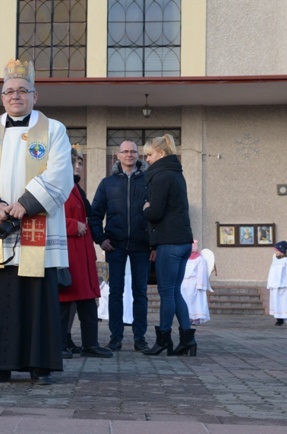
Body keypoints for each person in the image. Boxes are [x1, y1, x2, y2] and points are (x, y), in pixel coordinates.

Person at [0, 59, 72, 385]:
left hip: (35, 223)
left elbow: (61, 173)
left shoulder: (53, 129)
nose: (15, 96)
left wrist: (26, 204)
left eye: (22, 90)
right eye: (9, 91)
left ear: (35, 96)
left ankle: (39, 365)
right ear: (2, 96)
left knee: (36, 295)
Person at [89, 140, 151, 352]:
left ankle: (140, 338)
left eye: (133, 151)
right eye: (125, 151)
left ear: (138, 155)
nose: (129, 155)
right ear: (118, 155)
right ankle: (115, 337)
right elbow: (95, 214)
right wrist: (100, 238)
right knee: (115, 292)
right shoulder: (107, 183)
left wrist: (154, 244)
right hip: (114, 245)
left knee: (140, 292)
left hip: (142, 245)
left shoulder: (148, 180)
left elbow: (157, 213)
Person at [141, 134, 195, 357]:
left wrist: (145, 208)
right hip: (182, 242)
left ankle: (164, 339)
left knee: (166, 292)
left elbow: (155, 213)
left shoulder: (161, 176)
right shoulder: (176, 173)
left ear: (161, 154)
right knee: (175, 291)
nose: (147, 160)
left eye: (149, 155)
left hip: (169, 243)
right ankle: (187, 340)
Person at [59, 146, 112, 359]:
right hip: (69, 250)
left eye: (81, 163)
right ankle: (60, 343)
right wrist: (73, 225)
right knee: (67, 298)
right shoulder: (59, 186)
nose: (79, 166)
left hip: (81, 250)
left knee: (87, 299)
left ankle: (90, 343)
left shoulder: (73, 186)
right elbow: (47, 218)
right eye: (76, 162)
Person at [180, 240, 210, 326]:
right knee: (186, 301)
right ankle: (187, 317)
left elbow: (202, 272)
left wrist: (200, 284)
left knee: (196, 302)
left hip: (195, 284)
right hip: (185, 284)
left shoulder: (200, 259)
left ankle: (196, 318)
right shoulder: (185, 258)